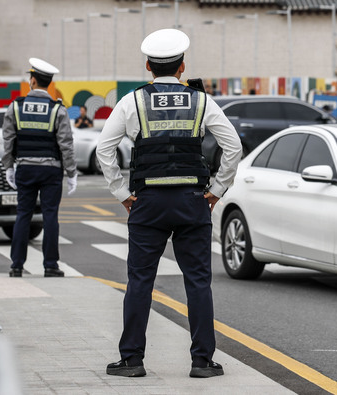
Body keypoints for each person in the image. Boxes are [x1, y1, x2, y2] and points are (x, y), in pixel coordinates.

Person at [97, 29, 241, 378]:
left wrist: (123, 195)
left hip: (146, 204)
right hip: (193, 202)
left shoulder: (132, 101)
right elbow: (233, 147)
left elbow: (104, 150)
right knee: (198, 281)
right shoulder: (201, 101)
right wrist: (216, 191)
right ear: (182, 67)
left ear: (148, 66)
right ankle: (202, 361)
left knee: (140, 281)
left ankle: (132, 360)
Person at [1, 58, 78, 278]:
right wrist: (71, 173)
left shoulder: (15, 106)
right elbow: (66, 144)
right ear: (49, 83)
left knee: (23, 215)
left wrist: (8, 166)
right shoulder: (58, 110)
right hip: (51, 171)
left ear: (32, 81)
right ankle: (51, 265)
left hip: (25, 168)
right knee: (50, 215)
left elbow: (8, 139)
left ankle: (16, 265)